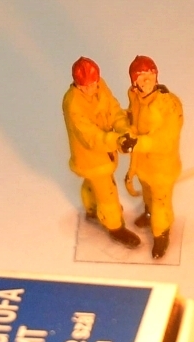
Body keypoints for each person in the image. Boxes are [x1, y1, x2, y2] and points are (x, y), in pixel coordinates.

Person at [62, 57, 140, 249]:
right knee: (107, 192)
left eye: (94, 83)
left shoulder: (100, 86)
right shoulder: (73, 104)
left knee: (91, 183)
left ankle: (90, 207)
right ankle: (115, 227)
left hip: (104, 152)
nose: (91, 89)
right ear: (76, 84)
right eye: (85, 86)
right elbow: (91, 137)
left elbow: (113, 109)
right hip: (91, 157)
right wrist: (117, 141)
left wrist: (124, 130)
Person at [122, 55, 183, 259]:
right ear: (134, 82)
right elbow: (133, 117)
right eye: (141, 78)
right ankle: (148, 214)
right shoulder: (135, 97)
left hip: (162, 166)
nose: (146, 82)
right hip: (143, 163)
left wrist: (138, 143)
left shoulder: (169, 105)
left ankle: (161, 233)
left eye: (150, 76)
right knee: (148, 195)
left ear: (156, 76)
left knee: (160, 202)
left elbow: (166, 140)